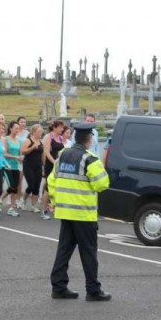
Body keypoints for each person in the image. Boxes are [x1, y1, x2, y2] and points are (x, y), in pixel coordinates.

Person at [48, 122, 111, 301]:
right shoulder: (90, 159)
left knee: (64, 250)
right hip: (83, 213)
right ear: (89, 140)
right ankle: (93, 290)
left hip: (65, 212)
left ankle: (58, 287)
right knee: (89, 252)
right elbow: (102, 184)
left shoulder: (61, 156)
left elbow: (51, 180)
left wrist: (55, 201)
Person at [41, 120, 65, 220]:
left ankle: (54, 207)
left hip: (59, 164)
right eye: (60, 127)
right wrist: (54, 162)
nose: (62, 129)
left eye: (62, 127)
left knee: (57, 185)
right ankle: (44, 210)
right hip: (50, 164)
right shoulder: (48, 137)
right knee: (48, 187)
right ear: (54, 127)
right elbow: (46, 152)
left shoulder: (61, 138)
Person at [21, 124, 44, 212]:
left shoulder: (40, 141)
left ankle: (34, 206)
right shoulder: (28, 140)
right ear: (34, 132)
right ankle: (23, 200)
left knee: (37, 186)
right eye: (39, 131)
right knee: (31, 185)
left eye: (41, 132)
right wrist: (32, 148)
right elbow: (22, 152)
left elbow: (42, 154)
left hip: (38, 166)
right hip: (28, 166)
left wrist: (43, 166)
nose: (40, 133)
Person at [2, 121, 23, 217]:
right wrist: (15, 157)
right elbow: (4, 153)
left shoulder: (18, 141)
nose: (17, 130)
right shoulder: (6, 139)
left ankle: (11, 208)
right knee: (11, 186)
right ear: (10, 129)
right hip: (8, 166)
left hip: (16, 167)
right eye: (15, 128)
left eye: (18, 128)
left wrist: (21, 158)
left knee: (15, 187)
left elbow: (19, 154)